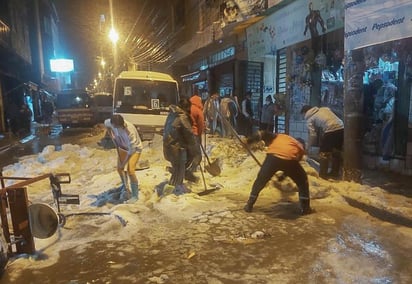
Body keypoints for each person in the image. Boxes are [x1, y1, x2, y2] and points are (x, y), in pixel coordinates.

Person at [243, 130, 311, 215]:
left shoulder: (282, 137)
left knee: (260, 181)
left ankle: (249, 204)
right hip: (289, 160)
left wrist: (249, 141)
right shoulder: (300, 146)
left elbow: (263, 133)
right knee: (302, 181)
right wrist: (284, 175)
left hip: (272, 158)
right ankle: (305, 209)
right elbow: (293, 166)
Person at [104, 114, 143, 202]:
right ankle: (125, 186)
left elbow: (131, 151)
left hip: (135, 149)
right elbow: (106, 124)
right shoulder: (110, 122)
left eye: (118, 127)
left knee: (130, 170)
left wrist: (123, 163)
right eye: (114, 126)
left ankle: (135, 196)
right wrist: (112, 136)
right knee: (119, 169)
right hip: (123, 147)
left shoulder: (130, 131)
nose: (116, 128)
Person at [163, 98, 200, 189]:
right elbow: (189, 134)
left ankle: (175, 188)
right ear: (186, 107)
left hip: (168, 146)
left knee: (178, 170)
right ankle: (172, 193)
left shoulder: (172, 114)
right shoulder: (182, 117)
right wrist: (196, 150)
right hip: (177, 148)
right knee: (178, 172)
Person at [300, 105, 344, 179]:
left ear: (305, 112)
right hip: (341, 128)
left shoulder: (310, 119)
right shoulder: (324, 109)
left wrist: (308, 147)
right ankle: (334, 173)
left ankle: (323, 175)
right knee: (336, 151)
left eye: (303, 115)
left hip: (330, 129)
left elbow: (313, 135)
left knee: (324, 153)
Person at [189, 94, 204, 172]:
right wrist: (199, 136)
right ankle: (192, 171)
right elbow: (200, 124)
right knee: (198, 155)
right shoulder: (198, 111)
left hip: (185, 134)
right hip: (194, 134)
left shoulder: (187, 108)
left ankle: (185, 169)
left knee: (189, 153)